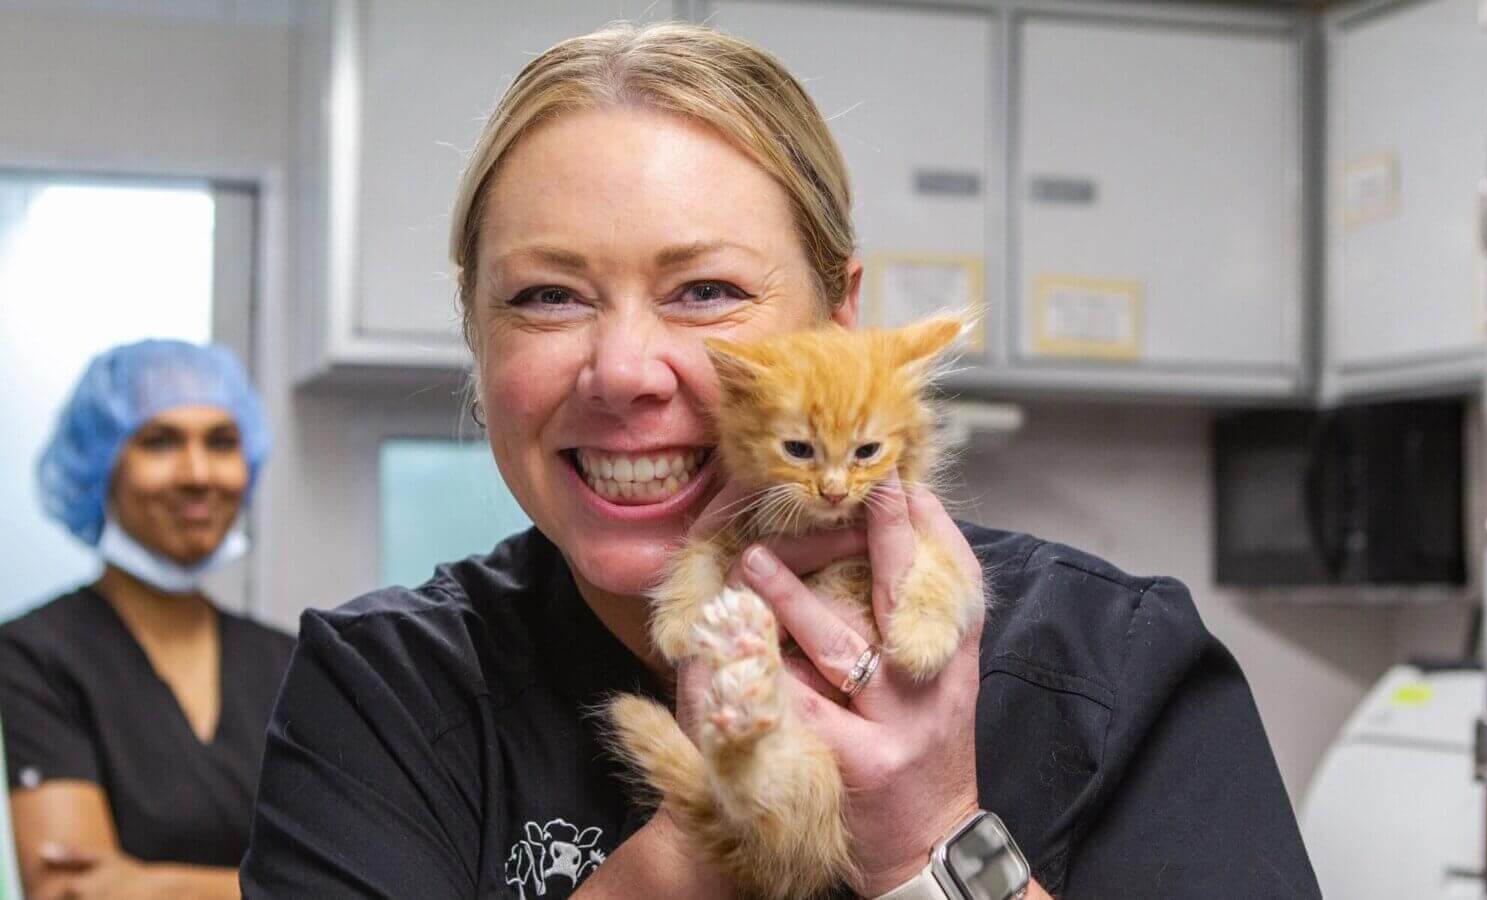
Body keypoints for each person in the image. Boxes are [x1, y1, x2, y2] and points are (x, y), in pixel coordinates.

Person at [241, 22, 1319, 899]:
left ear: (841, 321)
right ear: (476, 339)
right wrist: (696, 847)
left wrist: (929, 839)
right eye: (545, 296)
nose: (623, 370)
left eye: (706, 291)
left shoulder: (1111, 665)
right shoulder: (382, 693)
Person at [2, 340, 295, 899]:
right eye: (159, 442)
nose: (197, 474)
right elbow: (68, 892)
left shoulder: (291, 660)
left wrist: (144, 885)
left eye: (222, 442)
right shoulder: (38, 653)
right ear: (98, 465)